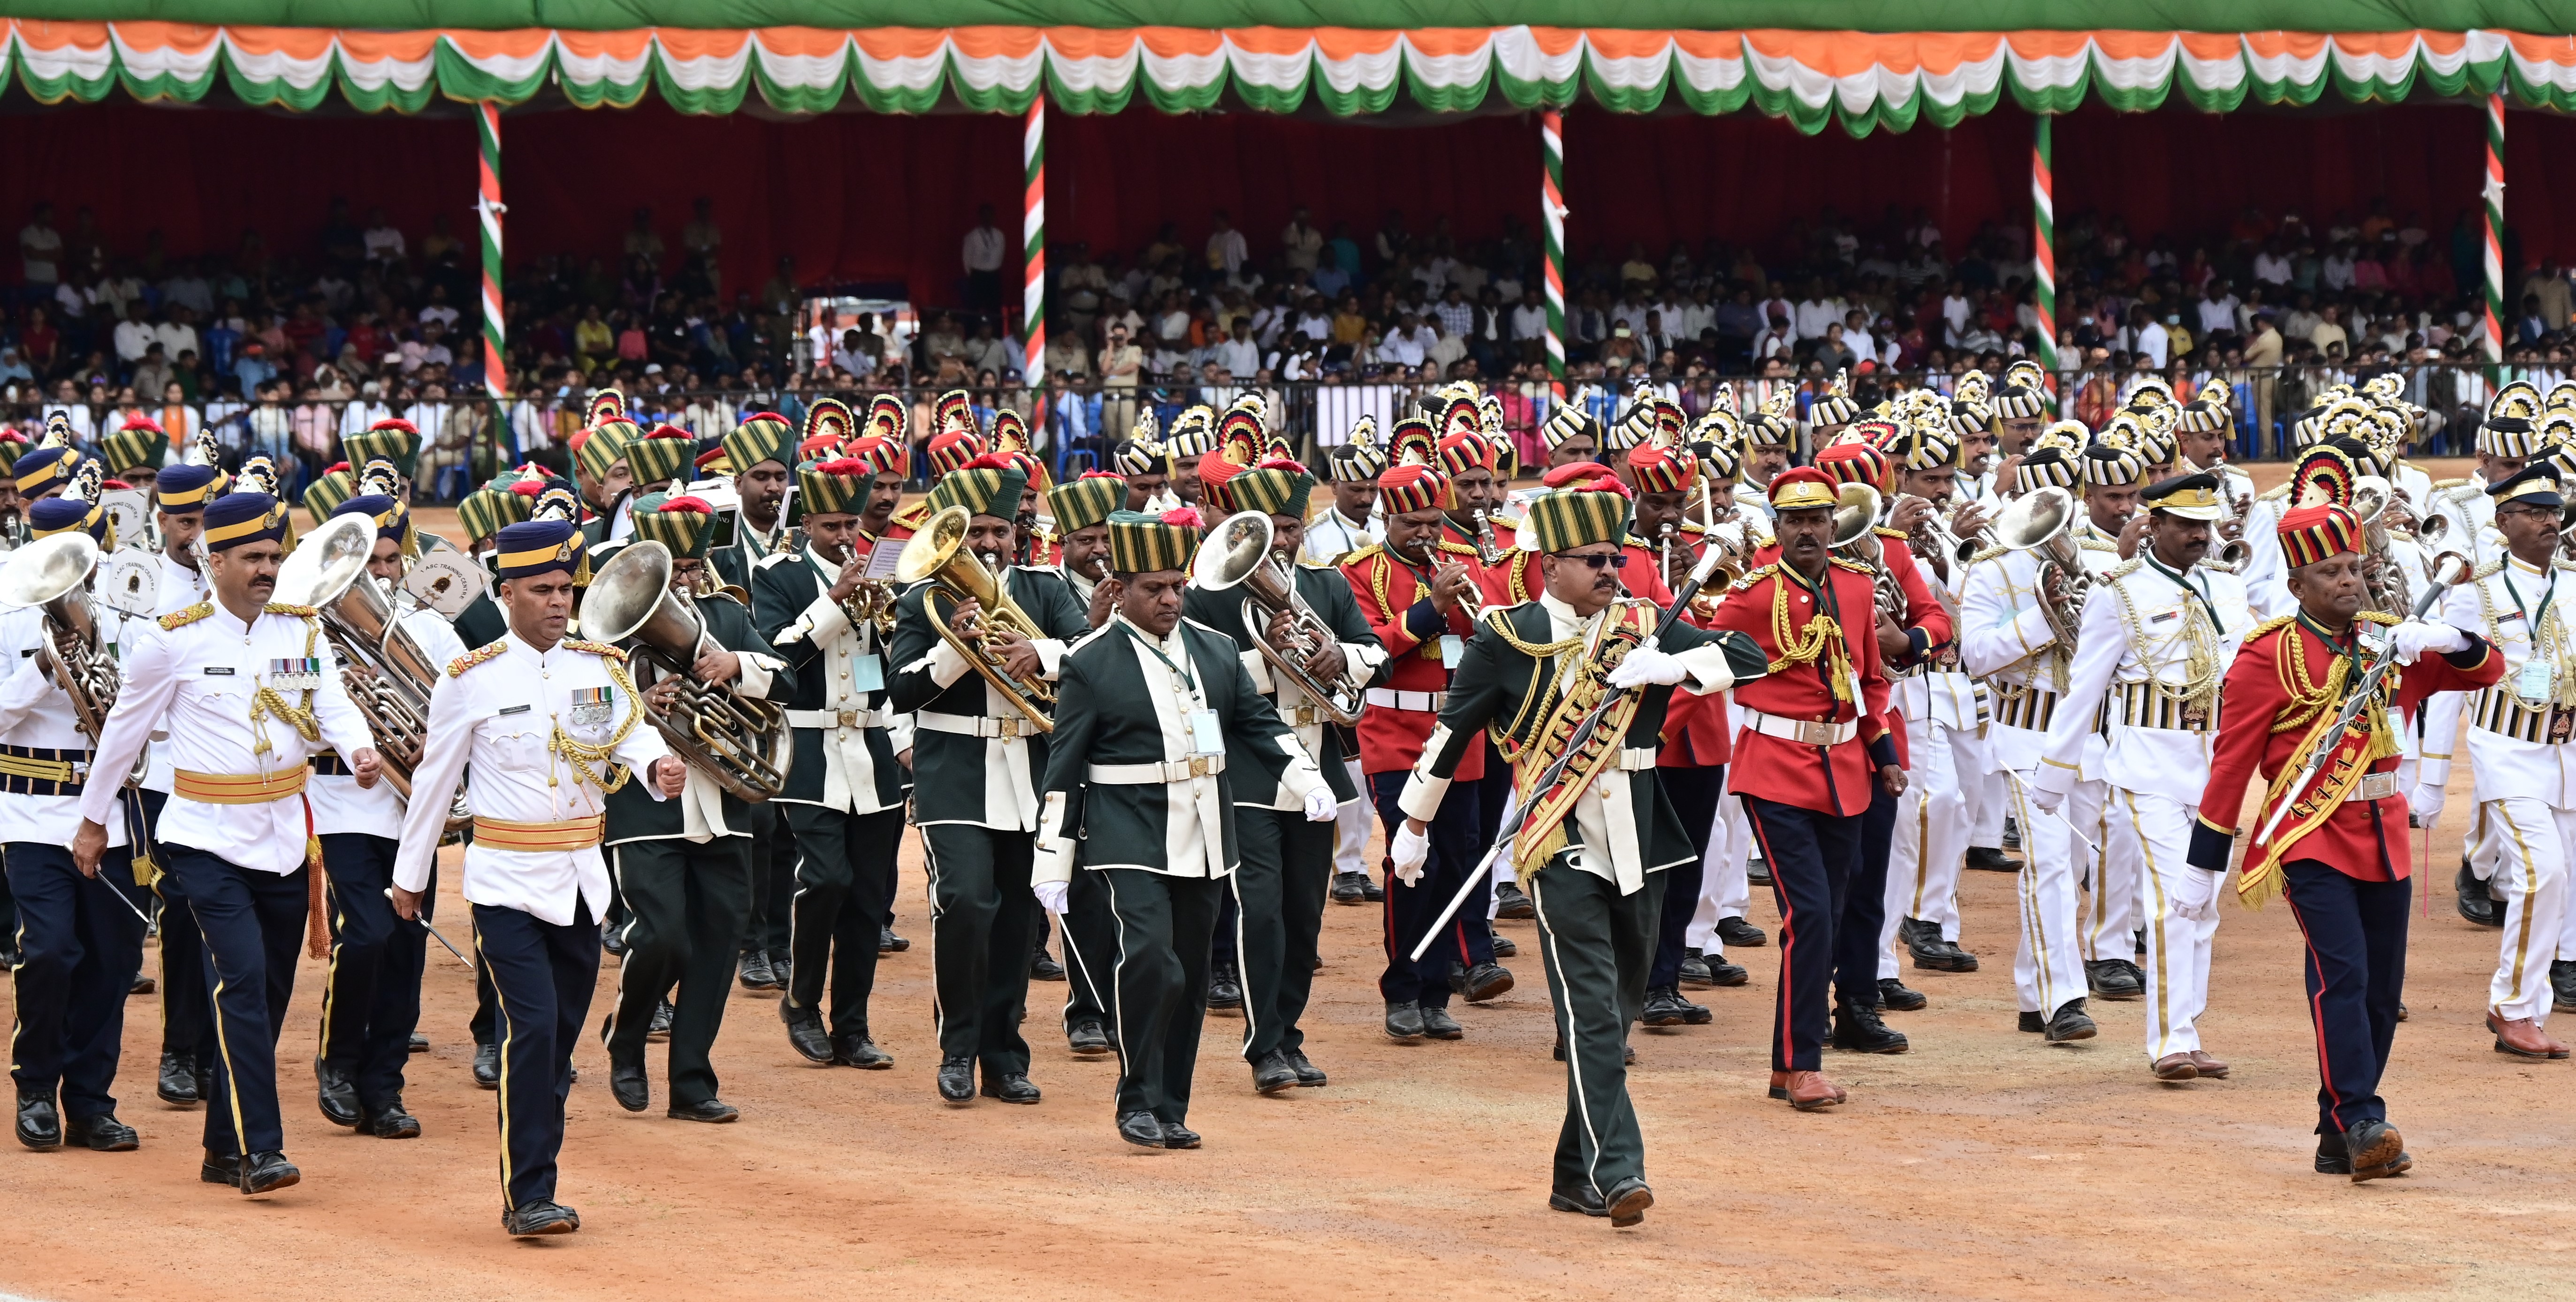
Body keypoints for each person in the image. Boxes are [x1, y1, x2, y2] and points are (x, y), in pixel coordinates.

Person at [1395, 469, 1768, 1224]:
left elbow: (1751, 657)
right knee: (1592, 1009)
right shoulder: (1506, 637)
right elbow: (1451, 733)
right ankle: (1618, 1168)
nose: (1609, 570)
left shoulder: (1644, 624)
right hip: (1553, 834)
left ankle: (1571, 1173)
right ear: (1550, 564)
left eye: (1615, 558)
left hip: (1639, 833)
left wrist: (1676, 666)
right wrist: (1413, 824)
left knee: (1621, 1002)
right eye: (1592, 558)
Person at [74, 489, 383, 1195]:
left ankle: (220, 1146)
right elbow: (123, 732)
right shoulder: (173, 637)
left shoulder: (301, 631)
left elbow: (330, 701)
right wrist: (94, 821)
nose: (268, 568)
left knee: (270, 997)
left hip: (283, 838)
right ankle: (260, 1149)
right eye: (253, 557)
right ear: (216, 561)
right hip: (205, 840)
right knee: (242, 981)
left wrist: (359, 747)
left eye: (275, 555)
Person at [2190, 502, 2501, 1179]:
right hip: (2309, 836)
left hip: (2383, 835)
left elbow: (2487, 672)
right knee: (2344, 974)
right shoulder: (2265, 654)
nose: (2348, 582)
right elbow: (2231, 763)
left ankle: (2336, 1135)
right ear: (2296, 585)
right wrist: (2202, 861)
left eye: (2354, 568)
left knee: (2380, 991)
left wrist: (2450, 640)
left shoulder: (2391, 640)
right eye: (2328, 571)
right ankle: (2362, 1116)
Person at [390, 516, 683, 1235]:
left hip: (582, 880)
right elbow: (434, 781)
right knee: (534, 1027)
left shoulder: (599, 666)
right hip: (506, 883)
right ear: (508, 591)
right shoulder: (470, 677)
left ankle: (536, 1173)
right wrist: (410, 873)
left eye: (566, 588)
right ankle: (529, 1193)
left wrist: (655, 765)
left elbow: (631, 732)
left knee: (558, 1041)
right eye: (543, 589)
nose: (559, 601)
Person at [1037, 506, 1330, 1149]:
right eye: (1154, 588)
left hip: (1203, 831)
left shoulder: (1217, 647)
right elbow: (1062, 767)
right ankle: (1135, 1097)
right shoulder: (1089, 660)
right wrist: (1052, 862)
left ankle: (1170, 1105)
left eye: (1177, 584)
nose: (1170, 598)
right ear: (1119, 589)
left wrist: (1309, 783)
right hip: (1127, 829)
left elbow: (1258, 724)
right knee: (1150, 959)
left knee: (1193, 976)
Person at [2030, 471, 2252, 1082]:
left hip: (2213, 767)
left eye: (2203, 526)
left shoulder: (2225, 588)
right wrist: (2053, 774)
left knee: (2203, 903)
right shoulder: (2118, 592)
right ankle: (2168, 1040)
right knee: (2173, 899)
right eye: (2183, 525)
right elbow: (2084, 688)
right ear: (2153, 525)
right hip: (2146, 764)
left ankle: (2189, 1027)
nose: (2197, 536)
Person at [887, 453, 1090, 1104]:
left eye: (997, 531)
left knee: (1015, 918)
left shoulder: (1044, 589)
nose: (986, 543)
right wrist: (958, 648)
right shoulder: (922, 596)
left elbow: (1090, 658)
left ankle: (1004, 1054)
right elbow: (900, 688)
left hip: (1030, 768)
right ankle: (958, 1047)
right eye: (973, 532)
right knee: (968, 904)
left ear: (1016, 530)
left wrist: (1045, 654)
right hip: (954, 768)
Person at [1706, 467, 1901, 1110]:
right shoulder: (1753, 594)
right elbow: (1700, 661)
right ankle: (1802, 1063)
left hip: (1845, 769)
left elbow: (1869, 679)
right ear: (1777, 527)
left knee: (1827, 914)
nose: (1809, 530)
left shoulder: (1854, 585)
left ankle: (1783, 1065)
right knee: (1809, 912)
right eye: (1795, 520)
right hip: (1773, 767)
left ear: (1833, 523)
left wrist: (1884, 752)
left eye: (1818, 518)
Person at [1188, 452, 1384, 1089]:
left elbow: (1373, 651)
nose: (1283, 539)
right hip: (1249, 771)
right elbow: (1197, 678)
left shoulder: (1326, 584)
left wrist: (1336, 654)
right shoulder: (1210, 590)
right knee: (1261, 913)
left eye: (1292, 526)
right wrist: (1265, 655)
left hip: (1319, 765)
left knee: (1304, 915)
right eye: (1269, 527)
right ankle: (1262, 1044)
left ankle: (1290, 1033)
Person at [596, 494, 792, 1121]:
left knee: (715, 941)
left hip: (722, 805)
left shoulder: (727, 619)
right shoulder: (603, 631)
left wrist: (742, 665)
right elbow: (584, 712)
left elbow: (786, 676)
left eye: (689, 567)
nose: (680, 580)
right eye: (669, 569)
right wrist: (640, 702)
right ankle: (626, 1039)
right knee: (662, 934)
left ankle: (692, 1081)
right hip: (645, 809)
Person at [310, 493, 467, 1141]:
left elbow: (468, 695)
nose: (378, 573)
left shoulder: (427, 627)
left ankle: (386, 1085)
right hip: (344, 801)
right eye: (365, 561)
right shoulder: (307, 627)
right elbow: (293, 712)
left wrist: (442, 735)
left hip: (412, 810)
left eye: (389, 559)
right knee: (368, 934)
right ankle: (340, 1061)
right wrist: (346, 740)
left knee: (405, 949)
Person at [754, 451, 912, 1071]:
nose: (846, 537)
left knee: (868, 898)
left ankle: (853, 1026)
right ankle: (800, 1002)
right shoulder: (778, 574)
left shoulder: (884, 565)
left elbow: (887, 667)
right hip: (809, 749)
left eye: (851, 524)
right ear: (806, 525)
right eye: (831, 527)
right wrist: (836, 603)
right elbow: (772, 658)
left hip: (872, 751)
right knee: (826, 879)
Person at [2415, 464, 2576, 1052]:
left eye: (2555, 511)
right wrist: (2431, 778)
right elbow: (2443, 687)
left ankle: (2526, 1008)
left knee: (2561, 882)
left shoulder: (2574, 583)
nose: (2550, 522)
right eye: (2535, 512)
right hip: (2506, 751)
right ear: (2502, 521)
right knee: (2541, 872)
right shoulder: (2474, 593)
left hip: (2567, 753)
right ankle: (2512, 1007)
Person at [5, 494, 148, 1153]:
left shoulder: (126, 623)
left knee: (114, 961)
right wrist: (44, 667)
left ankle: (90, 1100)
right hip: (33, 812)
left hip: (113, 815)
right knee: (53, 950)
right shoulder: (8, 622)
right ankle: (36, 1086)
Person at [1957, 447, 2106, 1038]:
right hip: (2025, 733)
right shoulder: (1994, 568)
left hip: (2090, 735)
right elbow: (1976, 655)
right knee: (2047, 865)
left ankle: (2031, 988)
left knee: (2072, 865)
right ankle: (2064, 999)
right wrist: (2047, 616)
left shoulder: (2099, 561)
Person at [1341, 453, 1490, 1042]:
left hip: (1460, 735)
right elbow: (1370, 650)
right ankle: (1402, 989)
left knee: (1456, 862)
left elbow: (1496, 639)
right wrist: (1433, 607)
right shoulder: (1358, 572)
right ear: (1388, 522)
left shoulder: (1470, 563)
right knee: (1409, 865)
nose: (1427, 534)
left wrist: (1473, 612)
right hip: (1395, 736)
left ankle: (1435, 992)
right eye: (1413, 525)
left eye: (1433, 521)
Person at [137, 451, 219, 1108]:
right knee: (184, 916)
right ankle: (180, 1050)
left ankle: (219, 1051)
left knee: (236, 919)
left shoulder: (238, 582)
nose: (196, 534)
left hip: (236, 776)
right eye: (185, 521)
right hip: (168, 775)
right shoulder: (137, 587)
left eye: (205, 520)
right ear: (162, 520)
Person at [1036, 470, 1125, 1055]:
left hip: (1124, 755)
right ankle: (1085, 1009)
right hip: (1057, 754)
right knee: (1077, 889)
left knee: (1121, 889)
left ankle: (1122, 1007)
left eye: (1104, 539)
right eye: (1084, 538)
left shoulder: (1139, 586)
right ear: (1062, 540)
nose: (1097, 549)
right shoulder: (1043, 586)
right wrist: (1090, 625)